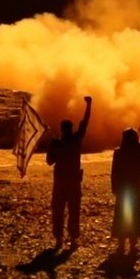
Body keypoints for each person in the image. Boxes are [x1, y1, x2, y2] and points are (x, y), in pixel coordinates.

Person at [46, 96, 92, 250]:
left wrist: (52, 145)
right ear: (71, 129)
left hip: (60, 183)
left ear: (61, 129)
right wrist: (89, 105)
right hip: (72, 182)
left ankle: (59, 240)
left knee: (58, 211)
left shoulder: (57, 143)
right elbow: (85, 123)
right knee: (73, 211)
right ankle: (72, 239)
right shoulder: (75, 140)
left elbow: (49, 161)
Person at [111, 126, 140, 255]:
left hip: (122, 187)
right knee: (134, 213)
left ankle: (121, 245)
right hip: (134, 186)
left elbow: (114, 171)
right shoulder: (139, 149)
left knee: (121, 214)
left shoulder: (119, 152)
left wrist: (114, 187)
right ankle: (132, 245)